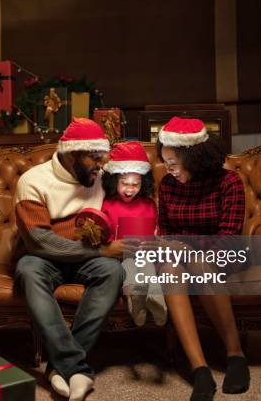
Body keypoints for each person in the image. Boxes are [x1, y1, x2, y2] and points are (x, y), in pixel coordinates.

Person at [14, 118, 127, 401]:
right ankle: (76, 368)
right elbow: (40, 241)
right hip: (44, 258)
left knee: (113, 271)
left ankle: (60, 368)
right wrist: (100, 251)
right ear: (72, 153)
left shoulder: (99, 177)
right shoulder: (33, 181)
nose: (100, 164)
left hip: (87, 257)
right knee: (27, 269)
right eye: (94, 157)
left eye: (102, 157)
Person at [156, 117, 251, 401]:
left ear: (194, 157)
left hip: (222, 253)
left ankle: (235, 354)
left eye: (173, 163)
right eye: (165, 163)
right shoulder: (168, 185)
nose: (169, 170)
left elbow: (228, 237)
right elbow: (166, 232)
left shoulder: (228, 182)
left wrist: (188, 247)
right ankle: (200, 369)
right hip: (180, 255)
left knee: (196, 260)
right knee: (170, 266)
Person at [100, 141, 167, 326]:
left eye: (135, 185)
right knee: (129, 264)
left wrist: (154, 238)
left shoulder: (148, 204)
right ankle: (134, 302)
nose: (130, 189)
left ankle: (156, 301)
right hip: (119, 255)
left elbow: (156, 228)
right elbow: (103, 233)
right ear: (115, 181)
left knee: (146, 265)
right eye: (125, 184)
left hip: (145, 252)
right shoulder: (107, 204)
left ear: (142, 183)